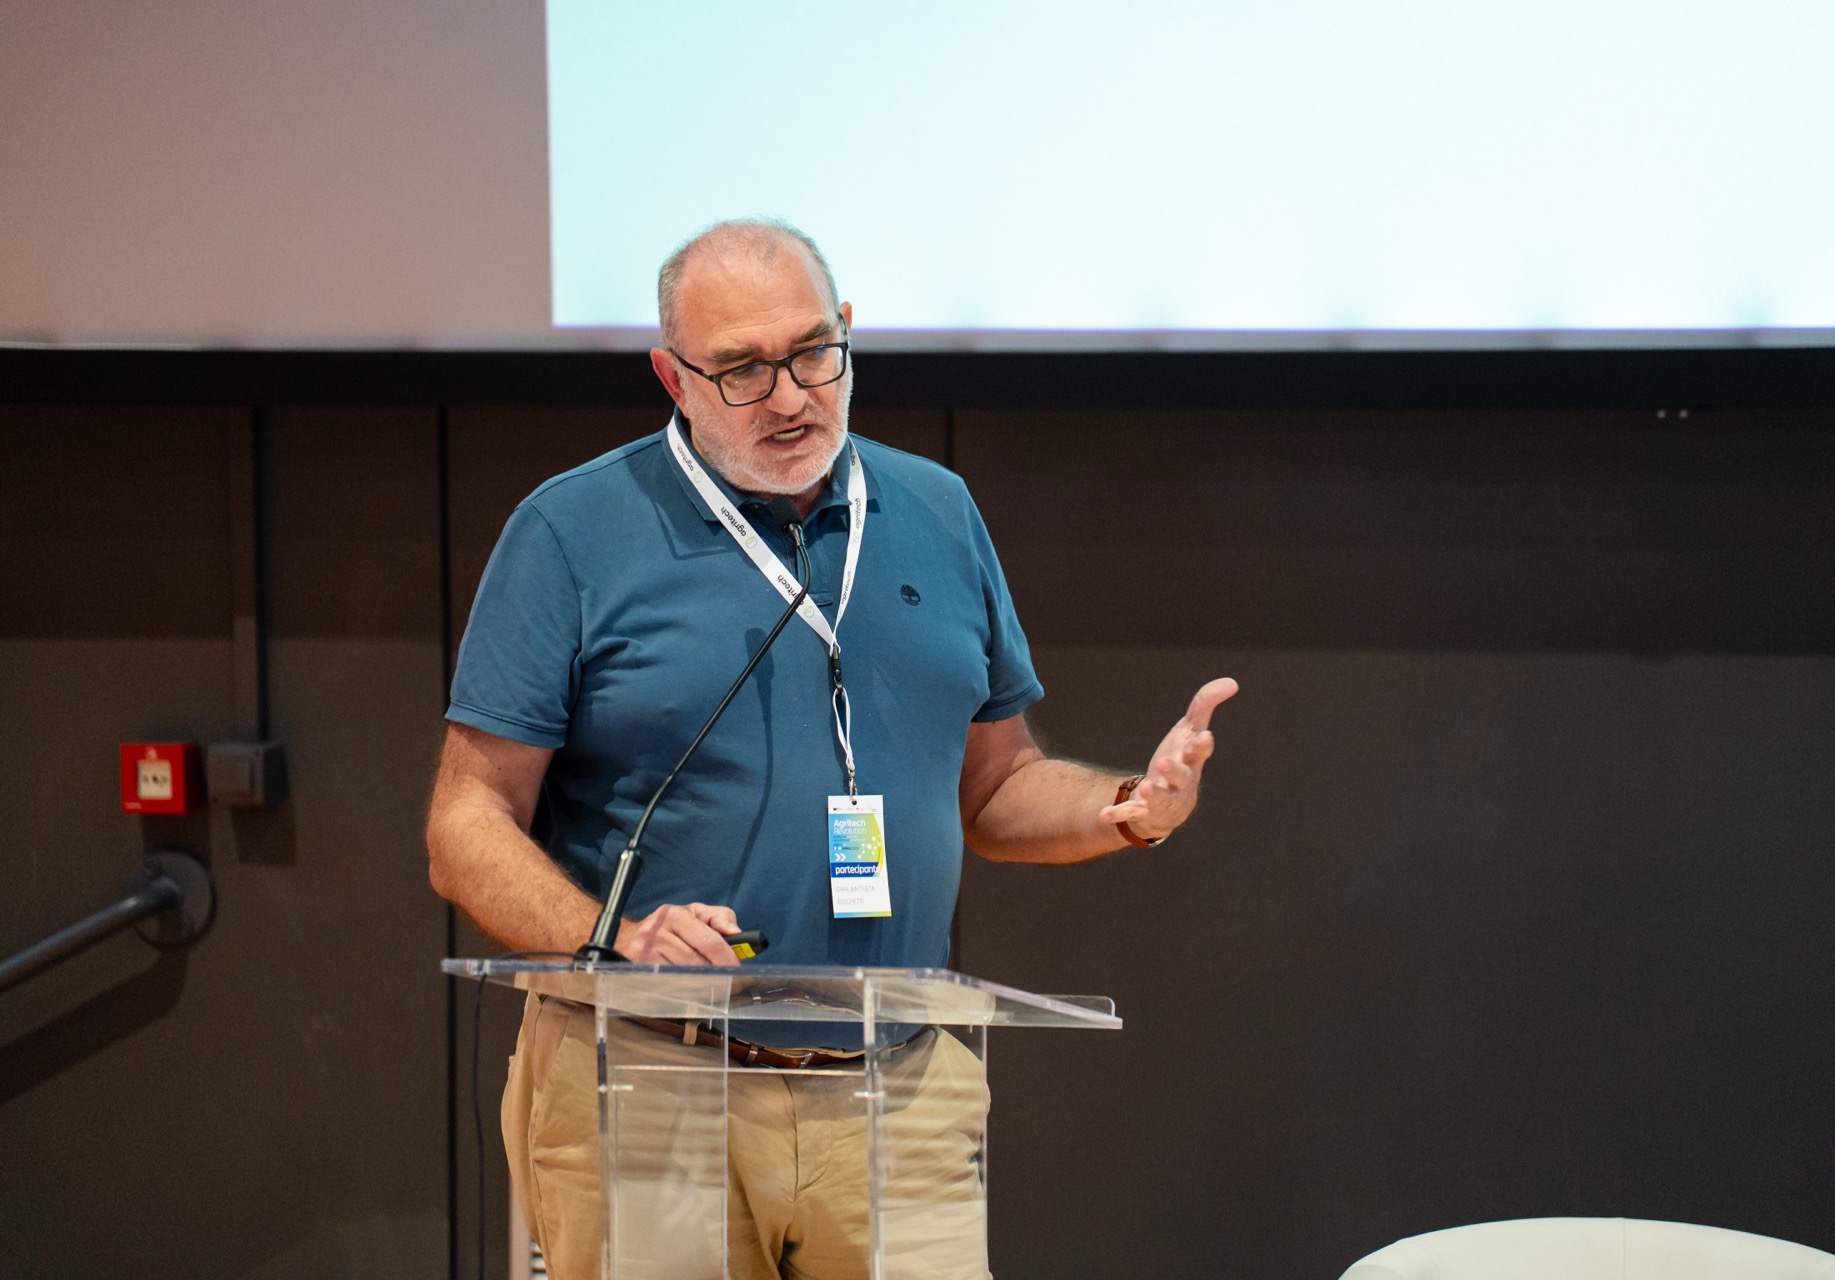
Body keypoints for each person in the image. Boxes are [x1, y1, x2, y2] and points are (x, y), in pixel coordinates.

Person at [426, 219, 1236, 1280]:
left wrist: (1124, 806)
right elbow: (466, 823)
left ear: (848, 330)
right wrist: (613, 938)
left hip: (897, 1085)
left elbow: (996, 785)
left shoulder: (937, 511)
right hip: (650, 1081)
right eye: (742, 370)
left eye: (814, 352)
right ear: (673, 377)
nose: (790, 397)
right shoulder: (571, 532)